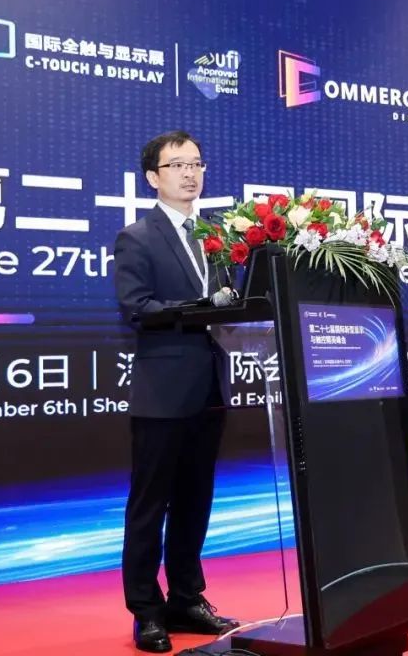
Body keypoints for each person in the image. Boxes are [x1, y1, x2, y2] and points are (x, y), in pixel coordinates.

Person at [113, 130, 238, 653]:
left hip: (209, 387)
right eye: (178, 165)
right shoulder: (137, 237)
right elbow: (137, 308)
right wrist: (203, 308)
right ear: (153, 177)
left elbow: (230, 303)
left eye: (197, 164)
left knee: (195, 500)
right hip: (162, 394)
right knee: (150, 505)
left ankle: (187, 597)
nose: (190, 173)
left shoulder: (217, 236)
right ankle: (146, 610)